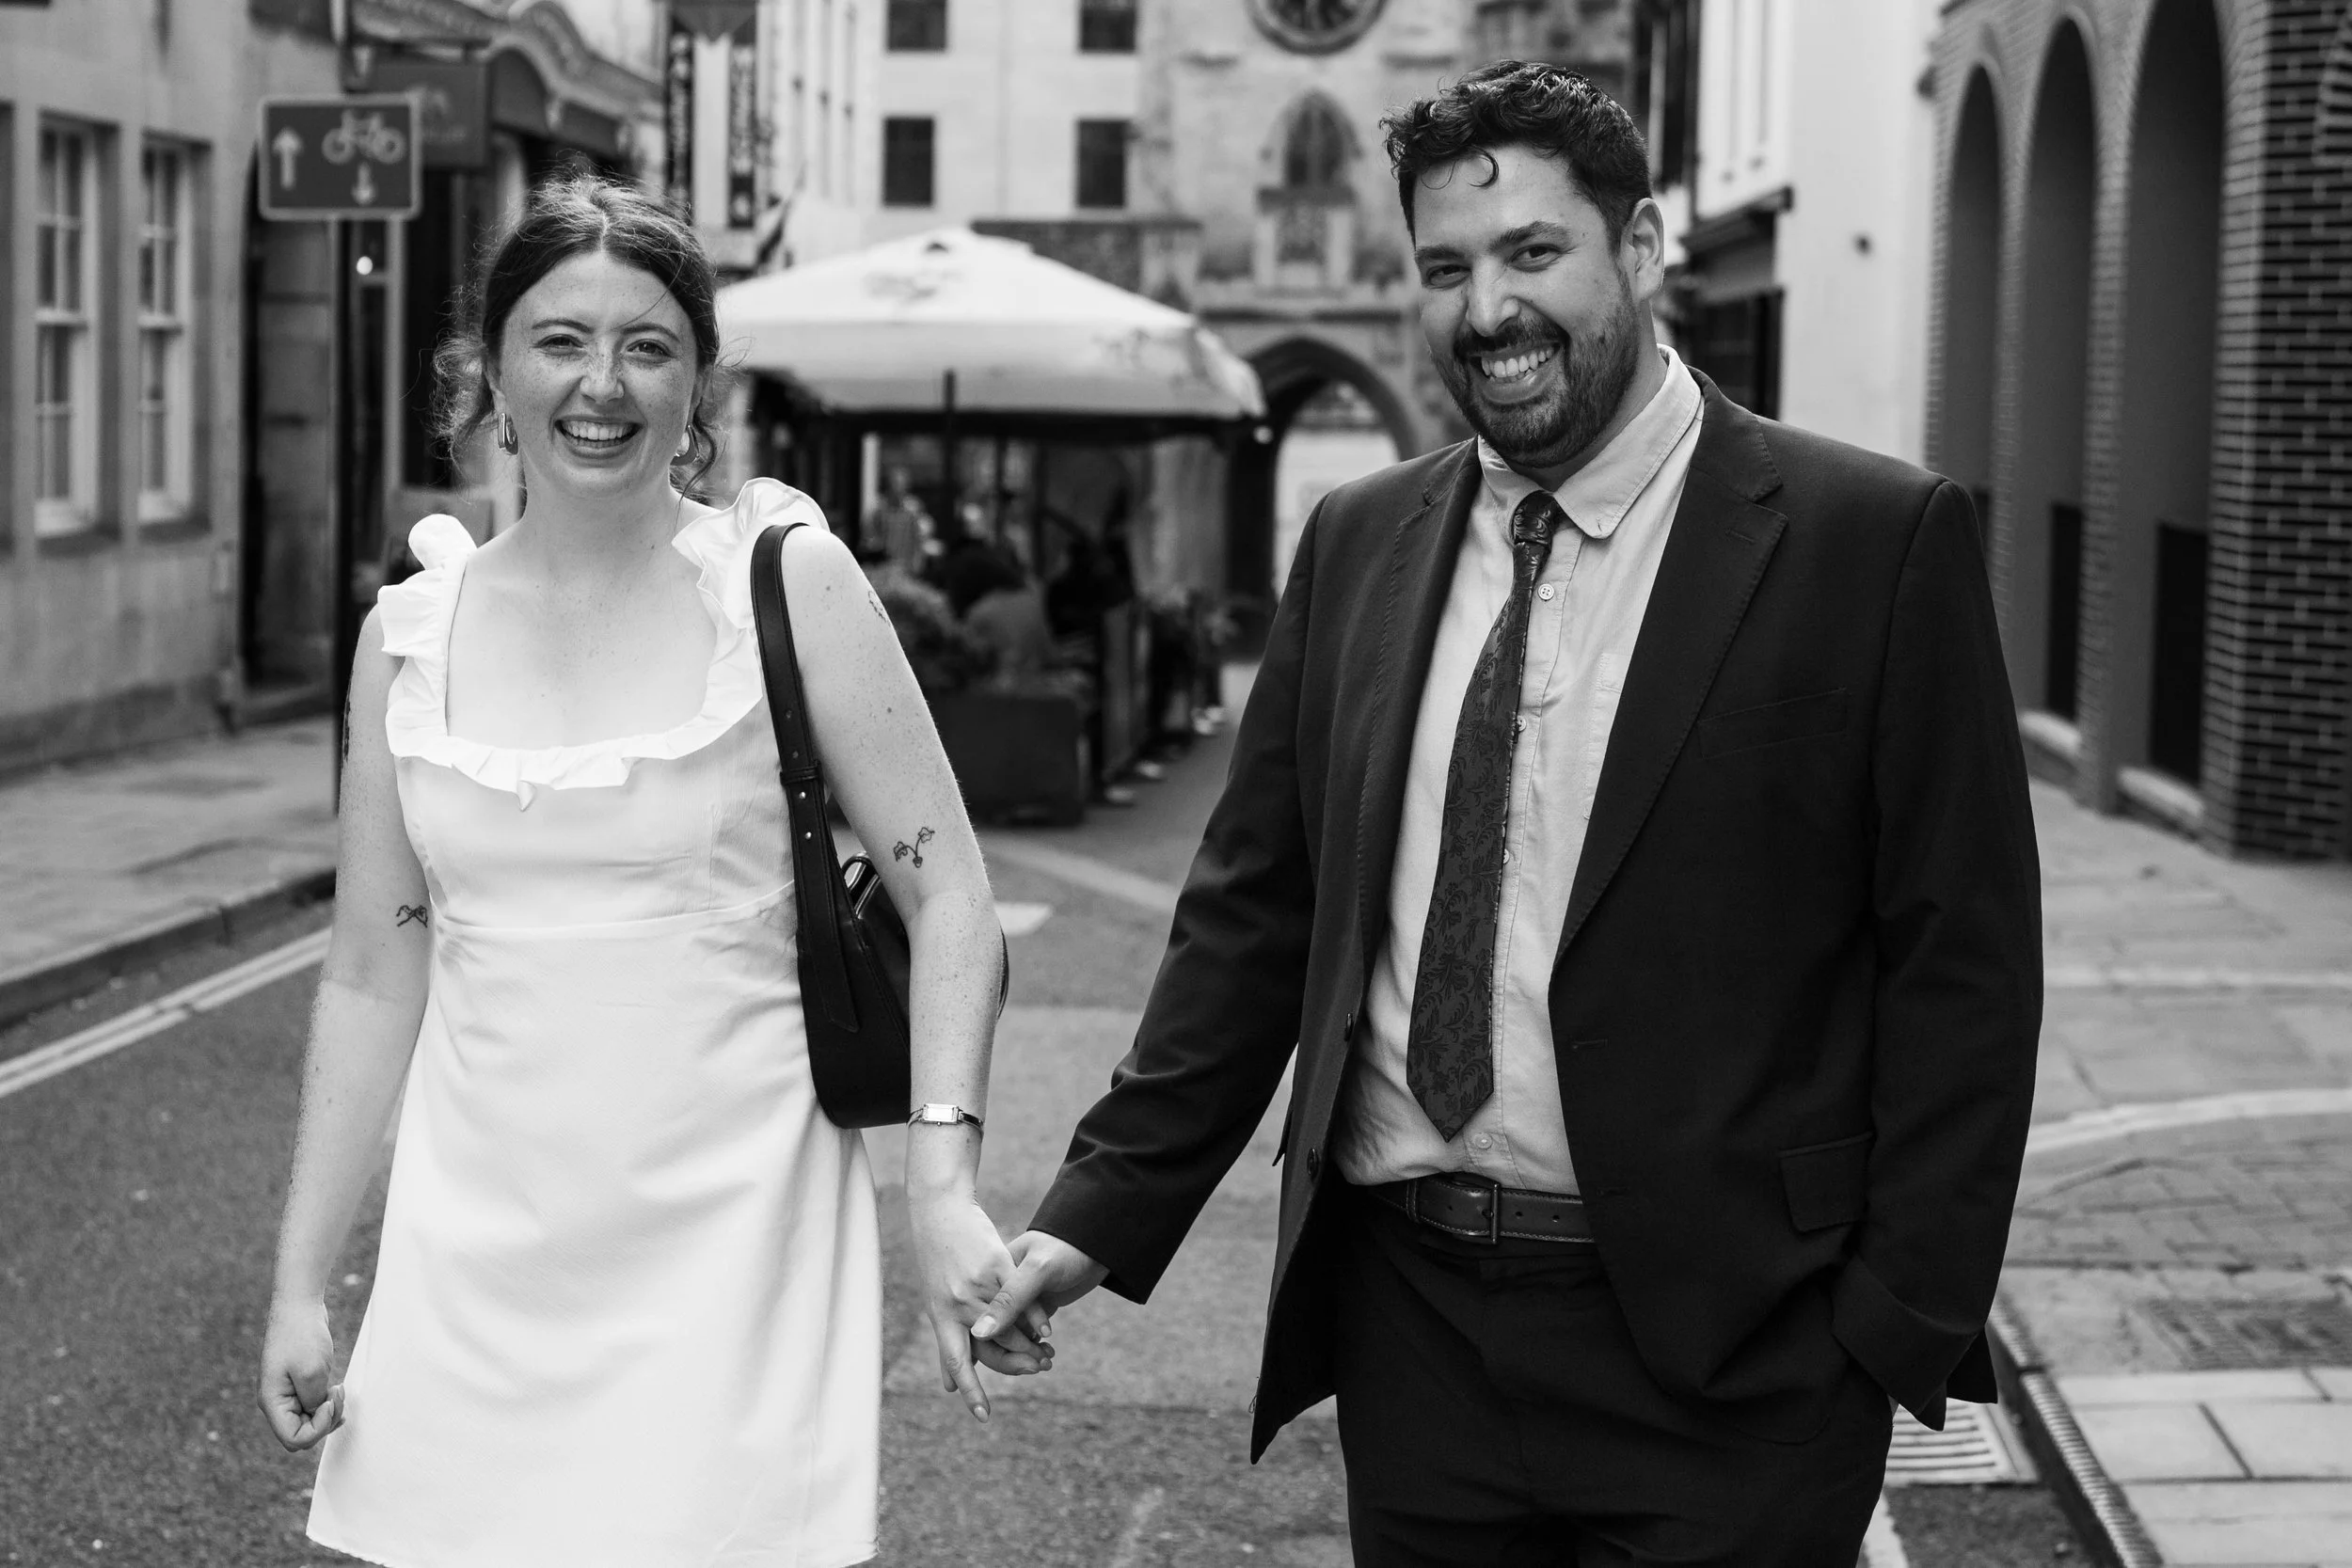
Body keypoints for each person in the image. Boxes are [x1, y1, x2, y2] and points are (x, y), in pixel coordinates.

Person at [977, 61, 2041, 1566]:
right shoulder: (1358, 541)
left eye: (1534, 253)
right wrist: (1098, 1206)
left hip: (1739, 1361)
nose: (1487, 311)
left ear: (1645, 248)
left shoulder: (1871, 541)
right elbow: (1256, 912)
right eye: (1446, 269)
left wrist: (1891, 1321)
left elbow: (1966, 965)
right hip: (1419, 1344)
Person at [256, 173, 1043, 1568]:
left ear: (700, 384)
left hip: (733, 1263)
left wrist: (939, 1186)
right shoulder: (411, 637)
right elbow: (377, 968)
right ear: (491, 368)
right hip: (474, 1272)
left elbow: (951, 891)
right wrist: (303, 1280)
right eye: (560, 340)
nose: (600, 385)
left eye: (648, 345)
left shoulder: (784, 582)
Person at [864, 463, 936, 571]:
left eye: (900, 484)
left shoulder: (914, 509)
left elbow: (922, 536)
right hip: (886, 566)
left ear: (906, 486)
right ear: (888, 486)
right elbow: (870, 538)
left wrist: (917, 562)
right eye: (894, 484)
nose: (897, 489)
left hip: (908, 565)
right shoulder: (880, 510)